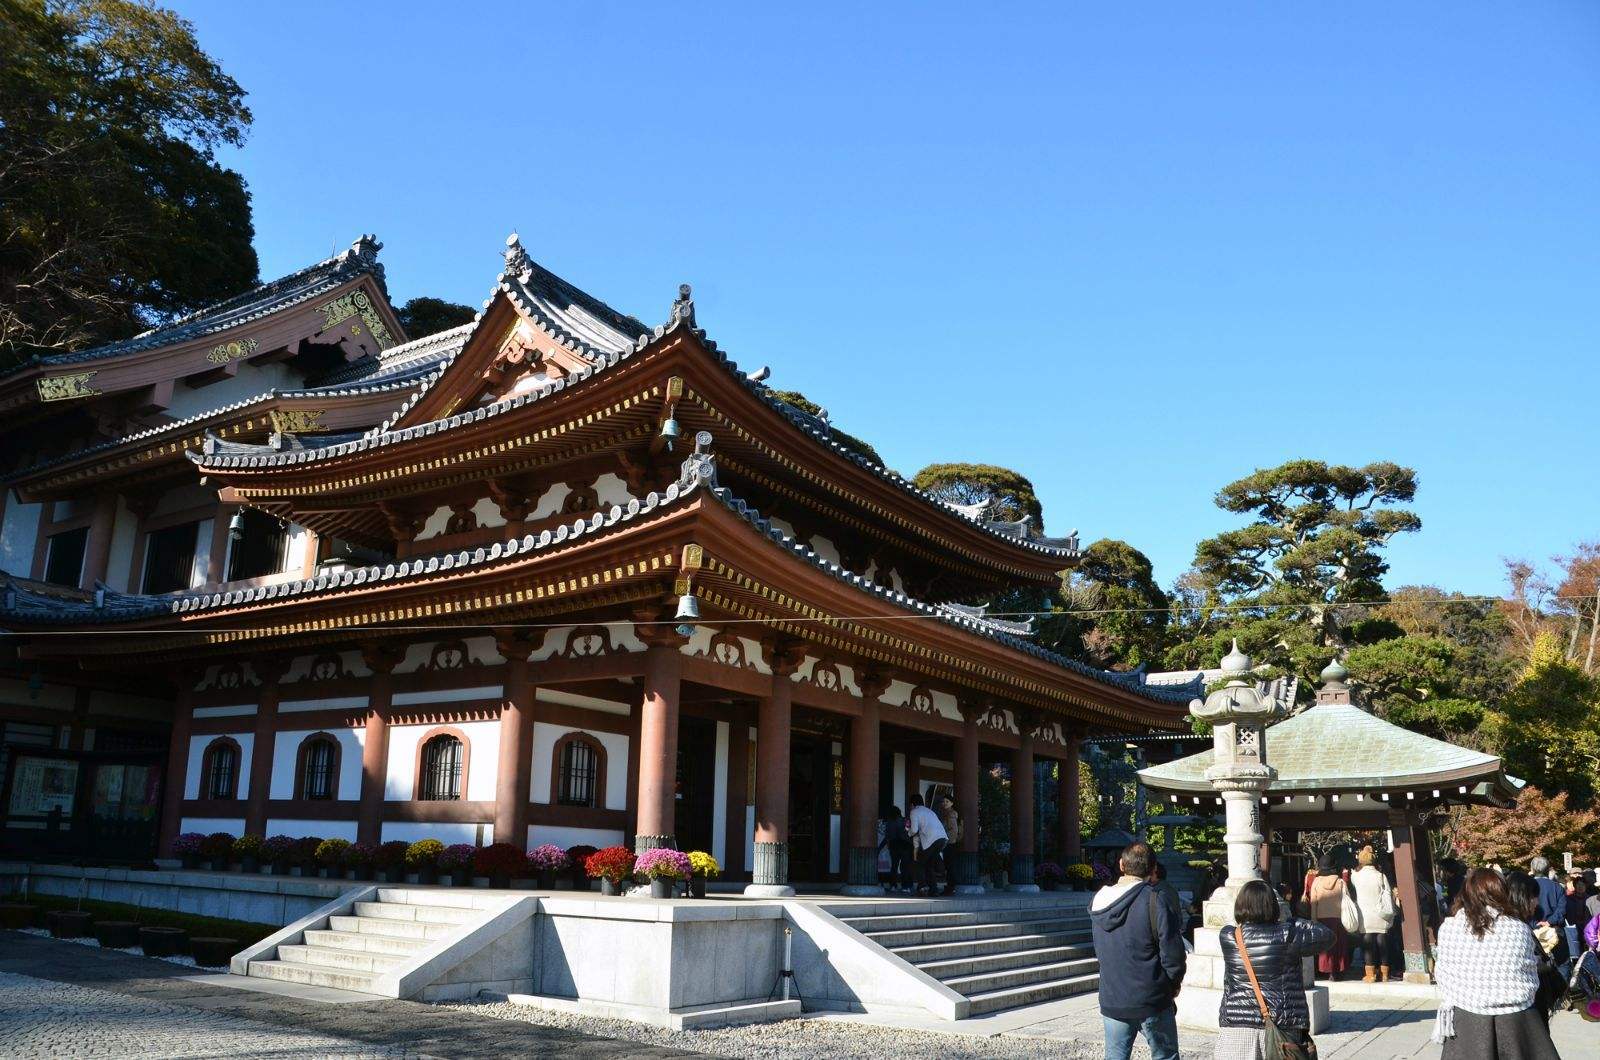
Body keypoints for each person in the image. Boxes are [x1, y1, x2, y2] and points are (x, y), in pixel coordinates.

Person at [1433, 868, 1560, 1058]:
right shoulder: (1518, 928)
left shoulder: (1449, 928)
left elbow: (1442, 973)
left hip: (1467, 1019)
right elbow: (1530, 972)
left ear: (1465, 893)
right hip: (1518, 1019)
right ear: (1502, 892)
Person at [1214, 879, 1334, 1060]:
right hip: (1282, 1027)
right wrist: (1292, 920)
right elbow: (1327, 936)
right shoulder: (1287, 934)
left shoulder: (1229, 936)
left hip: (1237, 1028)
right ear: (1273, 906)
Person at [1089, 841, 1185, 1060]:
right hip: (1151, 996)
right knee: (1166, 1055)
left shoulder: (1099, 901)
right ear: (1154, 869)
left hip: (1113, 996)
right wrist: (1172, 985)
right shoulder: (1155, 899)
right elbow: (1173, 953)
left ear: (1121, 865)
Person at [1506, 872, 1567, 1021]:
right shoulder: (1516, 928)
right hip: (1526, 1007)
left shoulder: (1515, 924)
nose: (1537, 902)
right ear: (1521, 897)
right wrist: (1546, 962)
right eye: (1534, 897)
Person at [1350, 846, 1396, 983]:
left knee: (1368, 944)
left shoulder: (1356, 876)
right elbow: (1388, 892)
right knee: (1382, 942)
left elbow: (1352, 881)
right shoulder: (1381, 876)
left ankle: (1370, 974)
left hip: (1365, 915)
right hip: (1381, 913)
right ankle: (1384, 973)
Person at [1306, 855, 1351, 980]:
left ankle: (1326, 970)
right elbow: (1346, 898)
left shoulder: (1316, 882)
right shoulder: (1340, 882)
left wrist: (1313, 919)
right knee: (1338, 945)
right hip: (1338, 918)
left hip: (1321, 918)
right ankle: (1337, 971)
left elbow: (1313, 902)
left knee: (1325, 946)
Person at [905, 793, 948, 896]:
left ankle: (923, 888)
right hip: (942, 838)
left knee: (919, 863)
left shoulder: (914, 811)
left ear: (912, 804)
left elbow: (914, 829)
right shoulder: (929, 811)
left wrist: (908, 833)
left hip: (931, 840)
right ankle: (934, 890)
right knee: (929, 865)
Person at [877, 806, 912, 893]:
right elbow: (910, 832)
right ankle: (906, 886)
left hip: (894, 845)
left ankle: (893, 885)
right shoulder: (906, 820)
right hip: (905, 845)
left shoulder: (889, 823)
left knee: (894, 866)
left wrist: (879, 848)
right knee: (905, 867)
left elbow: (887, 837)